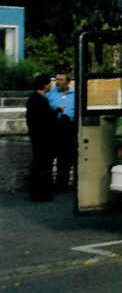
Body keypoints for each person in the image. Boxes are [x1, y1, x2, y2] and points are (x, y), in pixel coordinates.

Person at [26, 73, 56, 202]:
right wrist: (57, 112)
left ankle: (36, 192)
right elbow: (47, 120)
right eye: (49, 83)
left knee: (37, 164)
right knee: (44, 165)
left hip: (36, 137)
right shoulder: (42, 100)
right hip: (44, 138)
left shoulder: (32, 99)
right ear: (45, 85)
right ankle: (42, 193)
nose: (51, 85)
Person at [47, 70, 76, 191]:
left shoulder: (75, 94)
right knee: (51, 156)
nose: (58, 83)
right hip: (53, 128)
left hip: (69, 129)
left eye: (61, 80)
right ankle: (50, 184)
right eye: (56, 80)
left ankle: (62, 183)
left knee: (66, 157)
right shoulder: (49, 94)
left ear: (68, 82)